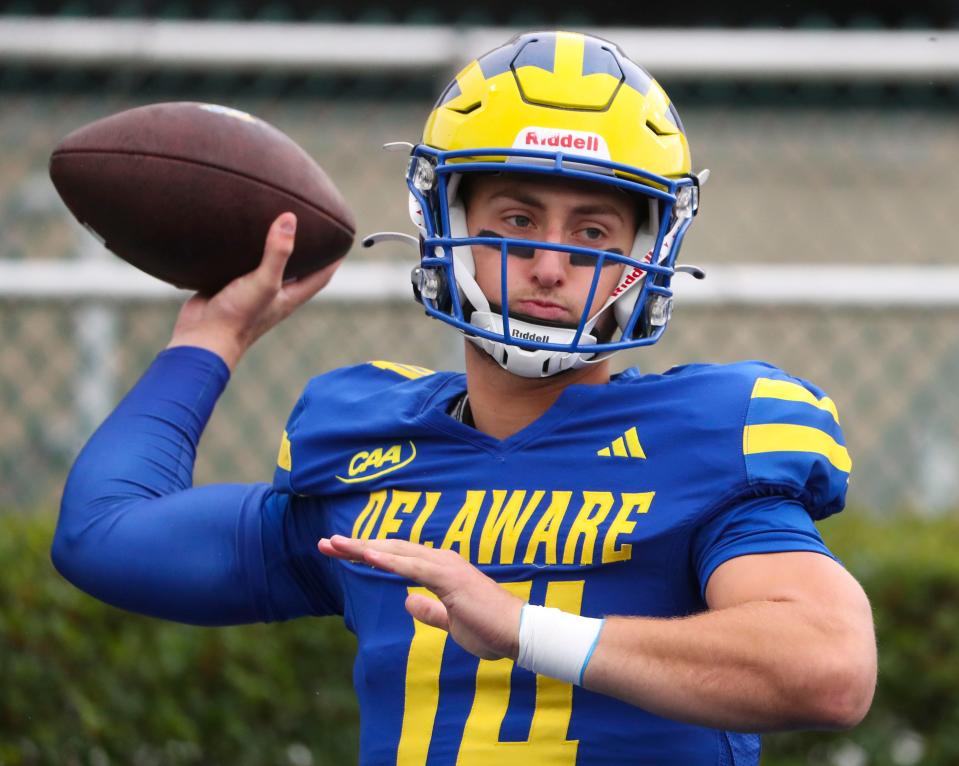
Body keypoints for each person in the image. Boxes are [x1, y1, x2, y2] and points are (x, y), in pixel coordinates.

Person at [53, 31, 876, 765]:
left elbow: (829, 668)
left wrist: (521, 629)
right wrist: (210, 341)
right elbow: (102, 537)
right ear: (445, 224)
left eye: (592, 232)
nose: (551, 265)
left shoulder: (706, 440)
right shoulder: (366, 452)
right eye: (517, 220)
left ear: (644, 253)